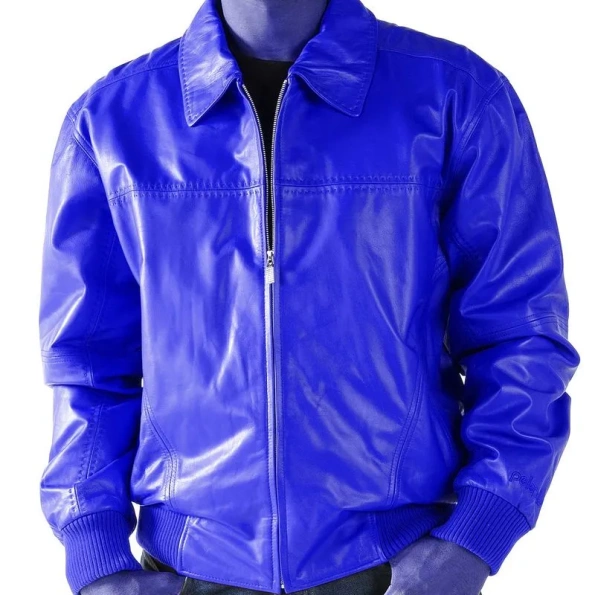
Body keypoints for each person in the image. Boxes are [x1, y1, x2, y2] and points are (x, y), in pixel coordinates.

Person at [38, 0, 580, 594]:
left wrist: (475, 539)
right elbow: (88, 365)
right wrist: (96, 555)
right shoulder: (111, 123)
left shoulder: (455, 97)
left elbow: (521, 335)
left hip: (395, 569)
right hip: (190, 570)